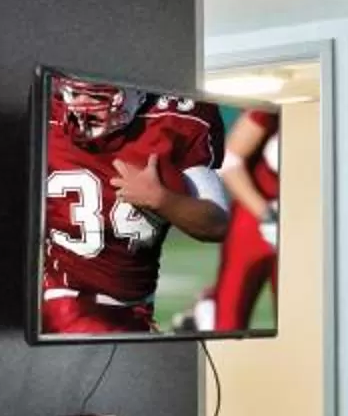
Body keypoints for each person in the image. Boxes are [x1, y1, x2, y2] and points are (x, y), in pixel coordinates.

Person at [39, 78, 229, 336]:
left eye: (96, 97)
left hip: (136, 309)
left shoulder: (178, 120)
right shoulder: (44, 118)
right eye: (73, 94)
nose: (80, 109)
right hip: (67, 303)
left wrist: (161, 200)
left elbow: (217, 224)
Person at [193, 105, 280, 333]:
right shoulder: (271, 110)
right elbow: (230, 159)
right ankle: (211, 309)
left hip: (303, 224)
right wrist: (267, 213)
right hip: (255, 218)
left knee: (298, 320)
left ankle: (210, 306)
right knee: (229, 326)